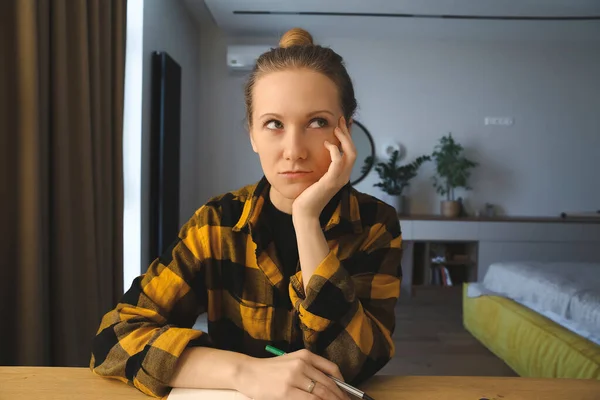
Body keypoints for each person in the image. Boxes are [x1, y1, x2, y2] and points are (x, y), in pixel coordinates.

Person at [90, 27, 403, 400]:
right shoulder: (216, 223)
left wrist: (306, 220)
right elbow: (114, 338)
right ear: (253, 135)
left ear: (346, 132)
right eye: (274, 124)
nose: (294, 150)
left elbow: (354, 364)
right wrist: (245, 372)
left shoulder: (376, 224)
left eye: (317, 122)